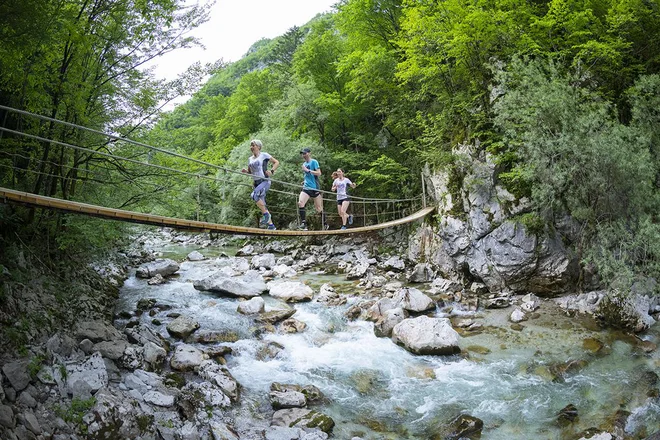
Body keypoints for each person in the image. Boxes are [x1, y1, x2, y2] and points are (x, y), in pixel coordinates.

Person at [241, 139, 279, 230]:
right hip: (256, 182)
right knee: (262, 204)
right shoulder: (250, 159)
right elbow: (251, 172)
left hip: (264, 181)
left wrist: (272, 171)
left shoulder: (264, 155)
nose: (251, 147)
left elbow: (276, 162)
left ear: (258, 146)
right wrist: (246, 171)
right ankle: (271, 225)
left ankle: (266, 215)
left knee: (254, 195)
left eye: (253, 145)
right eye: (251, 146)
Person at [297, 147, 328, 231]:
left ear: (309, 153)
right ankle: (304, 224)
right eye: (303, 154)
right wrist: (304, 181)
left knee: (319, 208)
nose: (304, 155)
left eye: (305, 153)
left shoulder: (314, 162)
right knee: (300, 203)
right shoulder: (303, 164)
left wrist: (308, 170)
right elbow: (307, 176)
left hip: (314, 187)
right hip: (306, 187)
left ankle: (325, 223)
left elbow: (319, 173)